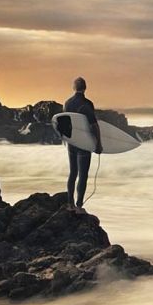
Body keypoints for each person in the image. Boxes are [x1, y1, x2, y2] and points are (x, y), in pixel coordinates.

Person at [64, 76, 102, 212]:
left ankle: (69, 203)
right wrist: (98, 144)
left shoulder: (67, 103)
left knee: (73, 172)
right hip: (83, 144)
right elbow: (94, 125)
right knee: (83, 174)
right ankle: (79, 206)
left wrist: (66, 140)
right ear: (85, 88)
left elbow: (64, 124)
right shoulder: (87, 104)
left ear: (74, 88)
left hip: (72, 142)